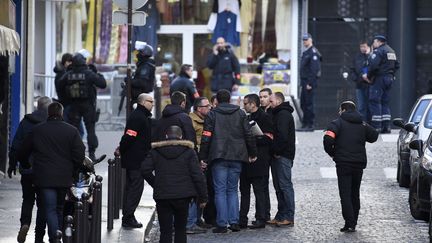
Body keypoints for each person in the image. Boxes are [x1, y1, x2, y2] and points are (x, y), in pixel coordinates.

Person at [17, 102, 85, 243]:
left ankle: (55, 238)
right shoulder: (72, 131)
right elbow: (79, 154)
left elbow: (22, 151)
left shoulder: (38, 130)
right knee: (58, 209)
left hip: (43, 178)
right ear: (61, 113)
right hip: (64, 178)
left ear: (49, 113)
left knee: (49, 209)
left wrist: (26, 164)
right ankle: (56, 236)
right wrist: (73, 171)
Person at [199, 89, 257, 233]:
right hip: (237, 156)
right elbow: (248, 134)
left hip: (218, 156)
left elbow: (206, 137)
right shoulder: (240, 113)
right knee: (232, 190)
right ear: (230, 99)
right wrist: (252, 152)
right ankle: (234, 222)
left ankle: (222, 224)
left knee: (220, 191)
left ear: (217, 101)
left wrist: (203, 157)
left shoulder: (212, 114)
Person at [141, 126, 208, 243]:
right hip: (183, 196)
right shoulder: (189, 152)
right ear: (181, 137)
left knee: (165, 231)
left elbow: (145, 170)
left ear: (166, 136)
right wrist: (203, 197)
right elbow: (198, 176)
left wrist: (156, 183)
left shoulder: (156, 151)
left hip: (163, 196)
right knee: (180, 230)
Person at [323, 101, 379, 232]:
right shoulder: (362, 123)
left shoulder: (337, 123)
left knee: (345, 194)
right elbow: (374, 136)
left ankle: (349, 222)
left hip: (343, 163)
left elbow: (328, 140)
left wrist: (333, 154)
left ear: (342, 110)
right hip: (358, 164)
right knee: (355, 193)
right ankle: (354, 221)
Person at [8, 96, 51, 243]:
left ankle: (25, 224)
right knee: (43, 204)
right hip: (44, 171)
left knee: (27, 200)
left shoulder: (26, 122)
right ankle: (39, 237)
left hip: (27, 170)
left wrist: (12, 165)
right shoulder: (51, 123)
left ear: (37, 106)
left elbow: (16, 145)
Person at [57, 50, 107, 161]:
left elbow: (60, 85)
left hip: (74, 105)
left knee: (73, 130)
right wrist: (97, 73)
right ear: (84, 62)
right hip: (88, 106)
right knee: (90, 130)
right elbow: (102, 84)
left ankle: (74, 153)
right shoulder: (88, 73)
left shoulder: (69, 75)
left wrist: (65, 99)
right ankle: (92, 154)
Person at [119, 93, 154, 228]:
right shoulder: (138, 117)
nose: (153, 104)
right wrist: (121, 149)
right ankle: (128, 217)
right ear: (143, 102)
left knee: (132, 188)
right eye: (150, 101)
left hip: (135, 158)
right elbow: (129, 136)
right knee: (135, 189)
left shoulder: (141, 115)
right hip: (136, 159)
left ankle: (128, 215)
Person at [239, 94, 273, 229]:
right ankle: (242, 218)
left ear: (253, 104)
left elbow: (269, 138)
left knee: (259, 191)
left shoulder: (265, 118)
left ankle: (261, 218)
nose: (244, 106)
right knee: (244, 191)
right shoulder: (246, 117)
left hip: (259, 160)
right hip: (246, 160)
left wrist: (252, 139)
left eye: (246, 103)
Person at [268, 92, 296, 227]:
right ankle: (280, 215)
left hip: (283, 155)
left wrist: (277, 151)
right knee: (279, 187)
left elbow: (282, 136)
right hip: (278, 154)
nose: (269, 103)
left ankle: (289, 216)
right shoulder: (277, 113)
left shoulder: (283, 115)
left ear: (278, 101)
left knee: (285, 186)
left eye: (271, 101)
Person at [363, 35, 399, 133]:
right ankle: (386, 127)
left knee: (375, 101)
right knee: (385, 102)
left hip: (380, 79)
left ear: (379, 42)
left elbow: (373, 66)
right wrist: (391, 74)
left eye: (374, 42)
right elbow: (397, 65)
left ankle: (376, 126)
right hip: (389, 78)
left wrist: (369, 77)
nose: (373, 44)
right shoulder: (391, 51)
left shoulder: (378, 51)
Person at [187, 97, 213, 234]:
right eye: (207, 106)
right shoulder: (190, 121)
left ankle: (198, 218)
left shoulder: (207, 120)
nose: (210, 107)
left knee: (202, 190)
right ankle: (191, 222)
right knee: (195, 191)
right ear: (198, 109)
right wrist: (199, 159)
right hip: (196, 159)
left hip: (204, 158)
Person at [299, 33, 322, 132]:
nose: (304, 42)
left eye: (306, 40)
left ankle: (310, 124)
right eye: (303, 40)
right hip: (304, 82)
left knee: (309, 104)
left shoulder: (313, 52)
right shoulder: (307, 52)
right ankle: (305, 124)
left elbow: (314, 69)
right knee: (303, 103)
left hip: (309, 83)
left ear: (311, 40)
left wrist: (310, 83)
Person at [348, 41, 371, 122]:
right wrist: (356, 79)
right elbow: (352, 70)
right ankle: (362, 122)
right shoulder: (357, 57)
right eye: (361, 47)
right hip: (359, 85)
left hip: (370, 85)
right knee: (361, 106)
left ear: (368, 47)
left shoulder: (371, 56)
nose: (362, 48)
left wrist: (368, 55)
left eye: (364, 46)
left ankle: (370, 123)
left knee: (370, 105)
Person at [131, 41, 156, 107]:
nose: (137, 55)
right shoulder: (143, 65)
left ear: (143, 54)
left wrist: (130, 81)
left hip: (143, 98)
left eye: (139, 52)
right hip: (140, 97)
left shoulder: (146, 66)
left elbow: (142, 82)